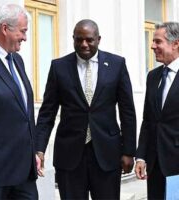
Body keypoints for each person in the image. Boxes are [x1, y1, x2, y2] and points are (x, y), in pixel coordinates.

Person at [36, 19, 136, 200]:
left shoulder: (117, 64)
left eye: (89, 40)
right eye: (79, 39)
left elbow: (127, 111)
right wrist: (39, 149)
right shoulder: (59, 67)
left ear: (98, 39)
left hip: (107, 154)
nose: (84, 44)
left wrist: (129, 151)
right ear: (73, 39)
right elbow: (47, 112)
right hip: (70, 156)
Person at [0, 4, 40, 200]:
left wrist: (34, 153)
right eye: (23, 31)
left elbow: (24, 113)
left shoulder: (17, 60)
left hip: (24, 174)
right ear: (5, 28)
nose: (25, 38)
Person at [135, 22, 179, 200]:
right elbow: (148, 119)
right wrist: (141, 156)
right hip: (155, 164)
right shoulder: (153, 76)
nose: (153, 46)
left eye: (158, 41)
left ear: (175, 43)